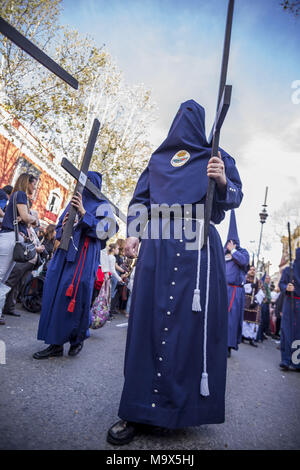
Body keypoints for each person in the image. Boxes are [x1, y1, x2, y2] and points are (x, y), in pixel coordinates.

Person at [106, 99, 243, 445]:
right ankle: (136, 408)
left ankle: (177, 409)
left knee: (187, 330)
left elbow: (236, 197)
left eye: (191, 118)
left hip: (199, 253)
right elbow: (140, 201)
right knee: (148, 325)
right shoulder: (156, 161)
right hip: (159, 244)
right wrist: (134, 235)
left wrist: (223, 180)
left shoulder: (217, 155)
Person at [33, 171, 118, 359]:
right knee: (54, 292)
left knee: (76, 296)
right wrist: (63, 225)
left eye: (87, 182)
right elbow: (57, 230)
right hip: (64, 254)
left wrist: (84, 214)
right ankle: (54, 342)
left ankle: (76, 339)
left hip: (84, 258)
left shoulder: (103, 205)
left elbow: (108, 230)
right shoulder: (74, 199)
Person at [0, 174, 38, 325]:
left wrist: (27, 219)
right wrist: (33, 218)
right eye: (34, 184)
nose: (35, 187)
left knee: (3, 279)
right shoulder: (21, 194)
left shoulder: (16, 196)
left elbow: (25, 220)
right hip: (10, 239)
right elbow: (27, 218)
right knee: (2, 278)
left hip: (10, 238)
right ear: (27, 182)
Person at [224, 210, 249, 358]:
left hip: (235, 291)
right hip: (222, 289)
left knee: (231, 320)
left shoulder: (242, 252)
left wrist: (233, 251)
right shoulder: (222, 251)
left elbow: (244, 262)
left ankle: (228, 345)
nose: (230, 243)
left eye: (233, 242)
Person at [278, 247, 300, 371]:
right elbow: (281, 283)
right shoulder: (288, 270)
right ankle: (286, 359)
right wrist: (287, 287)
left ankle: (297, 361)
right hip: (290, 301)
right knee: (286, 330)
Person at [242, 266, 265, 346]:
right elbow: (241, 288)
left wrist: (256, 301)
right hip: (244, 302)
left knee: (253, 322)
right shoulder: (243, 278)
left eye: (254, 270)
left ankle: (251, 338)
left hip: (254, 304)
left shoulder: (259, 281)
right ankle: (242, 336)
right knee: (244, 320)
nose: (252, 271)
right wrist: (250, 286)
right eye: (250, 270)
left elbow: (262, 292)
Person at [257, 274, 272, 342]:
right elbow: (264, 295)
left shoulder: (268, 286)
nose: (268, 280)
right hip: (263, 304)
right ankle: (259, 336)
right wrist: (268, 299)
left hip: (266, 304)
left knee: (265, 320)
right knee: (262, 320)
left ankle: (261, 335)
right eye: (267, 278)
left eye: (269, 278)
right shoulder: (264, 285)